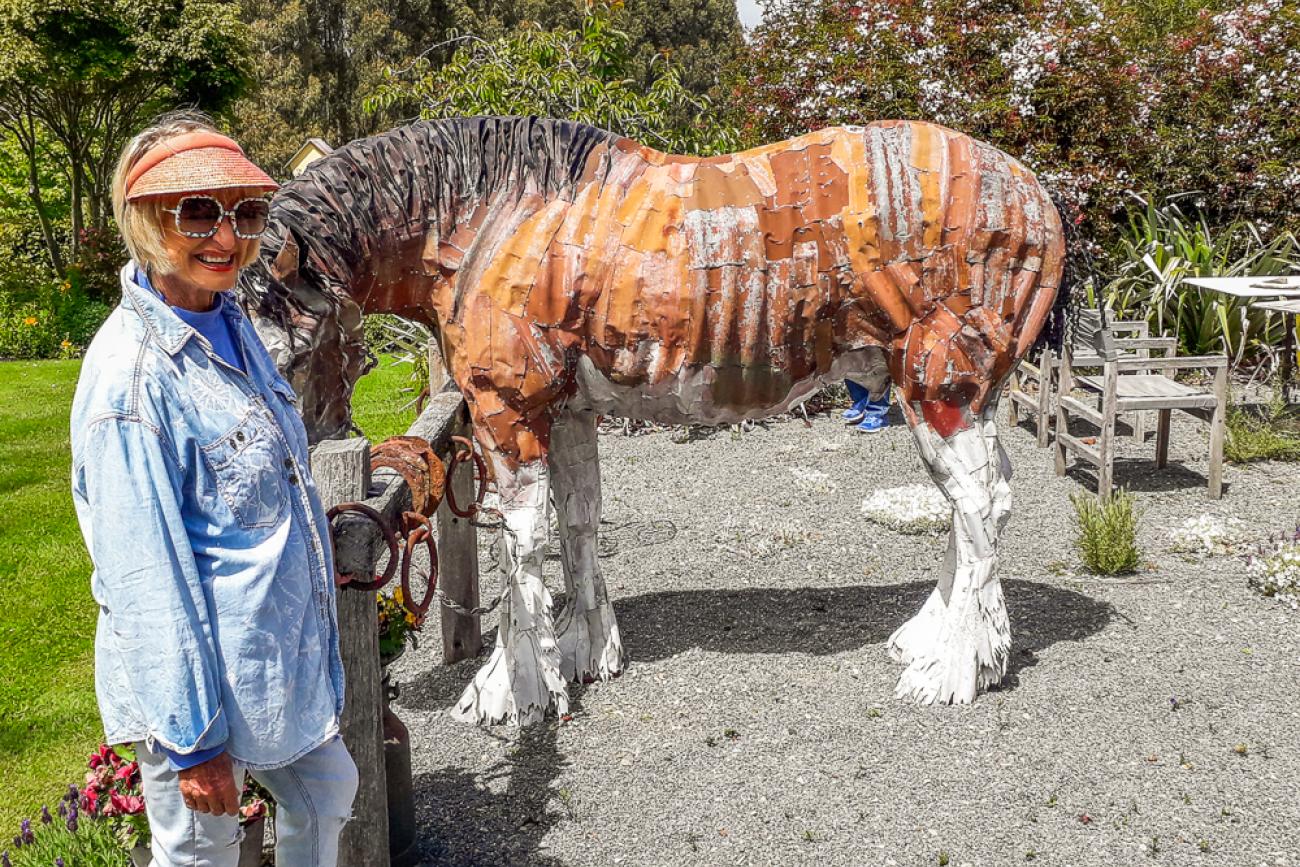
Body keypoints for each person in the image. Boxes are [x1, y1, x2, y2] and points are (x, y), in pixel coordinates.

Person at [69, 110, 358, 867]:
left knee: (326, 790)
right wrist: (194, 741)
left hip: (265, 663)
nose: (226, 237)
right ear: (145, 221)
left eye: (246, 211)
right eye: (197, 211)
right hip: (198, 684)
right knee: (200, 854)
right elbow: (145, 578)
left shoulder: (227, 320)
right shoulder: (132, 381)